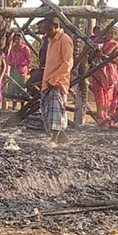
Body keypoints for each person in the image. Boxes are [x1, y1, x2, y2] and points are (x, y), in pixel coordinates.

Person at [40, 15, 74, 147]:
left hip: (57, 82)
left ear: (56, 26)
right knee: (47, 109)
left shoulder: (65, 40)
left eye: (49, 30)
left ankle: (54, 139)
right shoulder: (51, 40)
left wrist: (54, 79)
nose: (47, 33)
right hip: (48, 80)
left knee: (55, 109)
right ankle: (62, 137)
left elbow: (68, 63)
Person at [91, 27, 118, 129]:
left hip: (108, 74)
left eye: (112, 33)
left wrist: (101, 54)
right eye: (108, 32)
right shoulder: (100, 42)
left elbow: (107, 55)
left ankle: (105, 120)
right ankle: (101, 119)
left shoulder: (113, 44)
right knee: (100, 98)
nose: (110, 35)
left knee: (107, 99)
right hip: (98, 73)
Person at [5, 32, 31, 110]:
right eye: (15, 39)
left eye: (18, 39)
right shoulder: (12, 49)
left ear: (22, 40)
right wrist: (12, 63)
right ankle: (14, 106)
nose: (17, 41)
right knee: (13, 87)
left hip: (22, 71)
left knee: (21, 87)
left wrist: (20, 63)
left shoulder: (25, 48)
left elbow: (28, 61)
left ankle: (22, 106)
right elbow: (8, 59)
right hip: (13, 70)